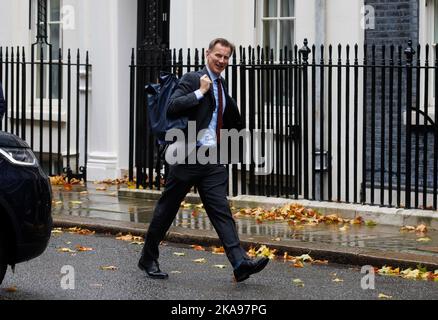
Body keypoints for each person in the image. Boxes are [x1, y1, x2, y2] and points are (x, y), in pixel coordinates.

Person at [138, 38, 269, 282]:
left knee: (221, 211)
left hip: (212, 158)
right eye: (218, 55)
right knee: (167, 210)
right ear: (207, 54)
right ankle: (148, 257)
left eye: (226, 57)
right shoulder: (192, 79)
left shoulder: (222, 83)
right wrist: (200, 92)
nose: (221, 61)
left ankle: (240, 263)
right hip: (186, 155)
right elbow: (172, 107)